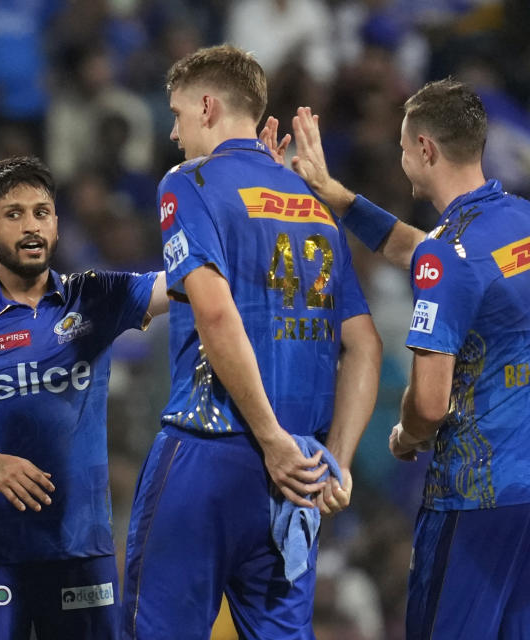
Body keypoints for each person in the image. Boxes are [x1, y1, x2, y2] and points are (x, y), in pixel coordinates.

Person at [122, 45, 381, 640]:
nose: (174, 131)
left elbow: (213, 311)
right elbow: (364, 343)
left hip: (210, 452)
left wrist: (268, 437)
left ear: (208, 106)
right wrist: (332, 463)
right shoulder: (313, 203)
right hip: (296, 476)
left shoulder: (191, 181)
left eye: (179, 113)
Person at [289, 79, 530, 639]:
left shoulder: (449, 256)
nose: (400, 160)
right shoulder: (517, 221)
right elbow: (423, 251)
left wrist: (407, 434)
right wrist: (334, 194)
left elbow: (428, 402)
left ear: (425, 149)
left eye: (402, 147)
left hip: (475, 502)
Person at [0, 155, 168, 640]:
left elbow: (190, 282)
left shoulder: (94, 297)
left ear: (57, 225)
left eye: (41, 212)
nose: (30, 227)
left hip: (80, 551)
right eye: (14, 214)